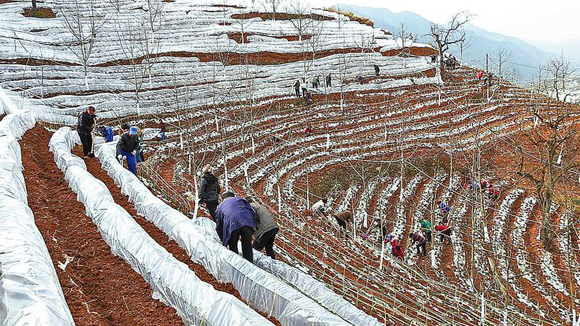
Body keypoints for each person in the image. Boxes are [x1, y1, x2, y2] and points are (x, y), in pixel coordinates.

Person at [215, 192, 256, 263]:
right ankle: (250, 266)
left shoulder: (220, 207)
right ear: (233, 196)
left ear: (223, 199)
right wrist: (251, 224)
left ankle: (236, 265)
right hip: (247, 222)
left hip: (232, 225)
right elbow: (252, 212)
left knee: (233, 246)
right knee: (247, 246)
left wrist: (222, 239)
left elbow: (219, 225)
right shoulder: (240, 199)